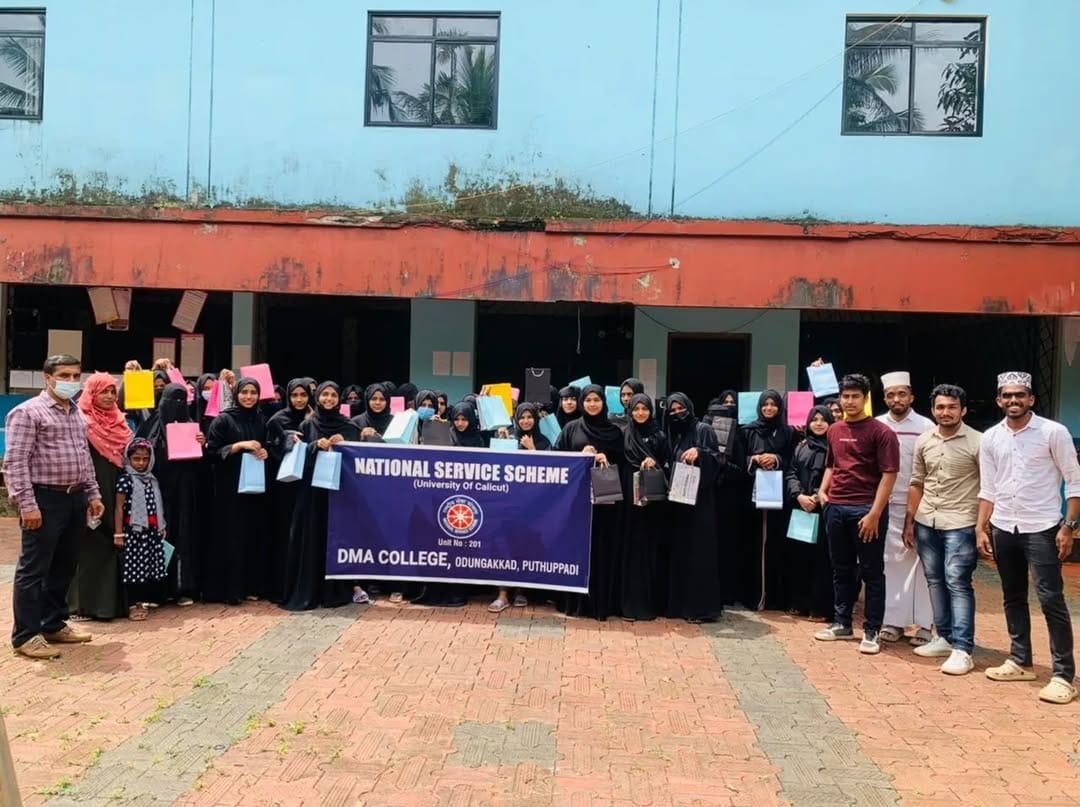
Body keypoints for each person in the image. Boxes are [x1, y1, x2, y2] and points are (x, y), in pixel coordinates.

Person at [977, 371, 1080, 704]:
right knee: (1012, 595)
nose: (1013, 401)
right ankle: (1021, 659)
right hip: (1005, 526)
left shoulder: (1054, 432)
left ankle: (1064, 675)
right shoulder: (991, 437)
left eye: (1020, 395)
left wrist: (1069, 527)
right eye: (1007, 396)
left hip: (1043, 527)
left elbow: (1074, 482)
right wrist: (982, 526)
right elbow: (988, 487)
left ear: (1031, 399)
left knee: (1051, 599)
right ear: (998, 400)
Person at [5, 354, 106, 659]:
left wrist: (93, 493)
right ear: (48, 378)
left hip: (75, 498)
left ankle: (53, 623)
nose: (71, 381)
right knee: (34, 569)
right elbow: (15, 462)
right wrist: (27, 505)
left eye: (76, 376)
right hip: (44, 499)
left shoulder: (76, 413)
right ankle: (25, 634)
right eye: (64, 375)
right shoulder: (27, 413)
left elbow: (84, 458)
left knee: (64, 564)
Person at [814, 373, 899, 655]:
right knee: (841, 570)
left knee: (872, 571)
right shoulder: (834, 430)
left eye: (855, 396)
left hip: (866, 510)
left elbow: (889, 474)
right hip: (836, 508)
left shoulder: (881, 432)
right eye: (845, 396)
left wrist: (875, 513)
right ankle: (842, 623)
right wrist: (823, 493)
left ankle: (872, 630)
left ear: (865, 399)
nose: (849, 401)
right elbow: (831, 465)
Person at [905, 384, 981, 675]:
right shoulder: (925, 440)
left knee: (957, 581)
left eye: (951, 407)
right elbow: (916, 482)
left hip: (961, 523)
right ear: (933, 410)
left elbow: (989, 488)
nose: (945, 412)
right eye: (940, 407)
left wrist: (982, 527)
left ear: (963, 410)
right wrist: (910, 521)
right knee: (934, 579)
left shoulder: (978, 442)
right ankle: (944, 637)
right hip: (927, 520)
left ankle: (963, 648)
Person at [281, 382, 357, 611]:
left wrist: (346, 445)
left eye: (334, 395)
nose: (329, 399)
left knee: (335, 539)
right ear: (318, 397)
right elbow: (296, 457)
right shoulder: (307, 424)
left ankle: (335, 592)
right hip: (312, 495)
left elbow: (360, 462)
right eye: (324, 394)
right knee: (311, 538)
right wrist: (314, 445)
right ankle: (310, 591)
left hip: (339, 496)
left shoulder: (349, 426)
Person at [554, 385, 627, 620]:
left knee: (601, 550)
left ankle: (600, 605)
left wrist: (608, 458)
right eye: (588, 400)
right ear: (582, 403)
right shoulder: (571, 428)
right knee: (576, 550)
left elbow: (626, 465)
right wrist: (579, 456)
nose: (592, 404)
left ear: (603, 403)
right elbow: (556, 459)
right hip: (576, 503)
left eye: (597, 400)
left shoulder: (614, 432)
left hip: (604, 504)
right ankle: (574, 603)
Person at [876, 371, 935, 646]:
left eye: (902, 394)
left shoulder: (926, 426)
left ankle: (924, 625)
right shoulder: (876, 425)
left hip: (920, 505)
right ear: (885, 397)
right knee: (890, 563)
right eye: (891, 394)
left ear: (911, 396)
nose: (896, 399)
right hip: (886, 505)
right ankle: (893, 621)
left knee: (924, 564)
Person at [68, 373, 131, 622]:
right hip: (88, 490)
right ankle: (81, 605)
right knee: (87, 544)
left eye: (112, 391)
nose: (108, 396)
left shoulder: (120, 423)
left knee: (110, 544)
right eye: (103, 391)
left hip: (115, 489)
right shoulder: (81, 421)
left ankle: (108, 605)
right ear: (91, 393)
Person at [138, 383, 205, 606]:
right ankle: (156, 590)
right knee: (157, 538)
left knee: (184, 538)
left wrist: (201, 445)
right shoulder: (152, 426)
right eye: (172, 401)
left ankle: (182, 588)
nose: (176, 406)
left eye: (181, 401)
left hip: (185, 494)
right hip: (157, 493)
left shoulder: (191, 427)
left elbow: (203, 465)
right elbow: (136, 456)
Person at [204, 377, 269, 604]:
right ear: (236, 393)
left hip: (253, 490)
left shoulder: (261, 419)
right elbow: (210, 453)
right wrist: (238, 446)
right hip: (228, 491)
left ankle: (250, 586)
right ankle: (229, 590)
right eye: (245, 392)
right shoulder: (223, 420)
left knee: (251, 537)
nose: (249, 397)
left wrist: (264, 453)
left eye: (253, 392)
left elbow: (267, 445)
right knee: (230, 537)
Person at [663, 393, 723, 623]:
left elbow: (718, 461)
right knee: (679, 553)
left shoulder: (703, 430)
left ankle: (701, 608)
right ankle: (677, 605)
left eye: (681, 408)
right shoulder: (671, 433)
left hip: (700, 505)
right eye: (673, 410)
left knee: (699, 555)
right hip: (677, 503)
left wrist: (701, 454)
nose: (677, 413)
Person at [489, 402, 551, 613]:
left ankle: (522, 591)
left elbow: (551, 472)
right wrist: (503, 443)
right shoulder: (508, 438)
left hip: (533, 505)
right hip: (508, 504)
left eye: (530, 417)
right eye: (522, 417)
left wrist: (533, 450)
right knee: (504, 545)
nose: (526, 421)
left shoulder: (543, 441)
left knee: (526, 545)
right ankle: (503, 593)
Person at [740, 390, 794, 611]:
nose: (769, 408)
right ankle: (752, 595)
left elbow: (794, 459)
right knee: (752, 542)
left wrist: (776, 458)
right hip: (752, 493)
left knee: (776, 543)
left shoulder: (788, 432)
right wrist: (753, 459)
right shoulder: (748, 431)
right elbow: (737, 457)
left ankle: (775, 597)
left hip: (778, 493)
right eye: (765, 404)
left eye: (773, 405)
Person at [621, 393, 670, 621]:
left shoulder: (659, 436)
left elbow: (668, 466)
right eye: (636, 409)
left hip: (652, 505)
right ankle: (628, 605)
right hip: (628, 504)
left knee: (650, 551)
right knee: (630, 551)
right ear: (630, 411)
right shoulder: (624, 434)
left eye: (645, 409)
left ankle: (649, 605)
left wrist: (655, 462)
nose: (640, 413)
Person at [784, 405, 835, 622]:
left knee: (822, 559)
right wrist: (799, 495)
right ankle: (800, 603)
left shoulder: (835, 448)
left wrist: (816, 496)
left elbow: (837, 474)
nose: (819, 423)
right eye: (814, 419)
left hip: (824, 508)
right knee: (799, 557)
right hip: (800, 509)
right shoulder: (801, 446)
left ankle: (819, 607)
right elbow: (792, 472)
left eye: (824, 419)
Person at [265, 379, 312, 603]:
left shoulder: (313, 419)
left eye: (303, 395)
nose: (299, 399)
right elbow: (270, 451)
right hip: (284, 487)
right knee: (284, 535)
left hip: (307, 486)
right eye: (295, 395)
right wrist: (286, 442)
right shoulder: (277, 420)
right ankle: (280, 588)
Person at [113, 439, 168, 622]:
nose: (141, 463)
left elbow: (157, 505)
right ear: (129, 459)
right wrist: (119, 533)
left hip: (151, 531)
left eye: (145, 459)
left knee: (148, 566)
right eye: (136, 459)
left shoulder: (152, 479)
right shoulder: (125, 480)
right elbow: (119, 508)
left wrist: (161, 525)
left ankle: (145, 600)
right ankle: (133, 604)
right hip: (133, 531)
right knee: (134, 568)